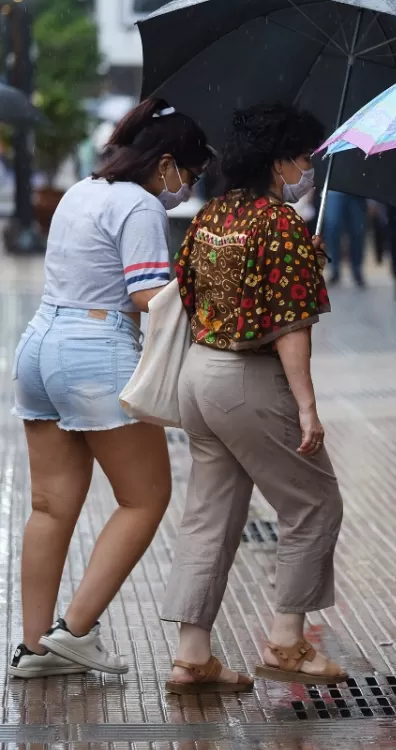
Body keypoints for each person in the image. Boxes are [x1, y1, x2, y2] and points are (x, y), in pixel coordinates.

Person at [9, 98, 211, 679]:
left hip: (39, 345)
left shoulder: (82, 190)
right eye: (189, 174)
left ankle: (34, 648)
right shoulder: (139, 205)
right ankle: (75, 632)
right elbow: (148, 297)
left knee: (49, 506)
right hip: (95, 350)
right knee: (145, 498)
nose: (186, 188)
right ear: (165, 163)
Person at [160, 104, 345, 693]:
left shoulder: (211, 215)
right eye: (304, 158)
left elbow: (188, 291)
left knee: (210, 514)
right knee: (314, 502)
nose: (308, 170)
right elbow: (291, 325)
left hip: (199, 374)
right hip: (248, 379)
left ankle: (192, 655)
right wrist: (307, 405)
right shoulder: (281, 223)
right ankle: (287, 641)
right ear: (279, 160)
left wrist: (303, 259)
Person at [323, 190, 367, 287]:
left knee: (357, 231)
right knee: (332, 229)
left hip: (357, 192)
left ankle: (357, 269)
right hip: (334, 191)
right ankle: (334, 269)